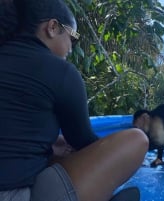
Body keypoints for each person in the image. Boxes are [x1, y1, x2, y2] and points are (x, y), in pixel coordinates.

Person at [0, 0, 149, 201]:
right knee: (136, 140)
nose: (72, 47)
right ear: (52, 27)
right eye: (72, 37)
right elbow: (84, 142)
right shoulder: (59, 71)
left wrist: (50, 145)